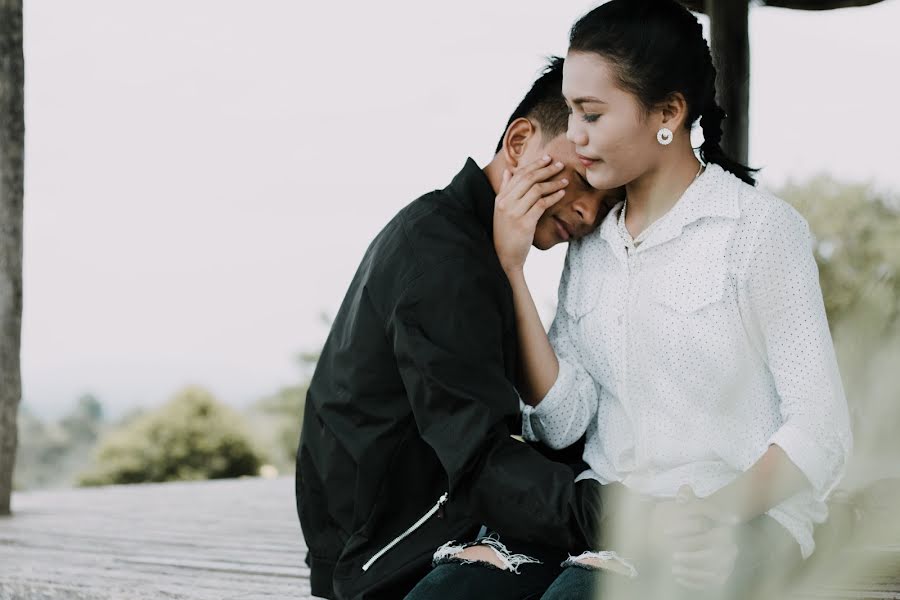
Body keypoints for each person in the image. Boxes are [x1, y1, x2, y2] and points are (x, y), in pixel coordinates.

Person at [487, 1, 854, 599]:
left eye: (591, 114)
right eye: (572, 110)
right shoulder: (594, 245)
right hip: (613, 516)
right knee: (454, 587)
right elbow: (565, 422)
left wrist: (713, 515)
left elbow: (821, 426)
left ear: (668, 112)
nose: (573, 135)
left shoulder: (756, 230)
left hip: (739, 520)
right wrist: (513, 270)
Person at [295, 57, 624, 600]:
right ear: (520, 142)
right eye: (584, 178)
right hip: (380, 544)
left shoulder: (463, 234)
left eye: (609, 199)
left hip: (400, 504)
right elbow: (482, 463)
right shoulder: (445, 259)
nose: (590, 213)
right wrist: (621, 516)